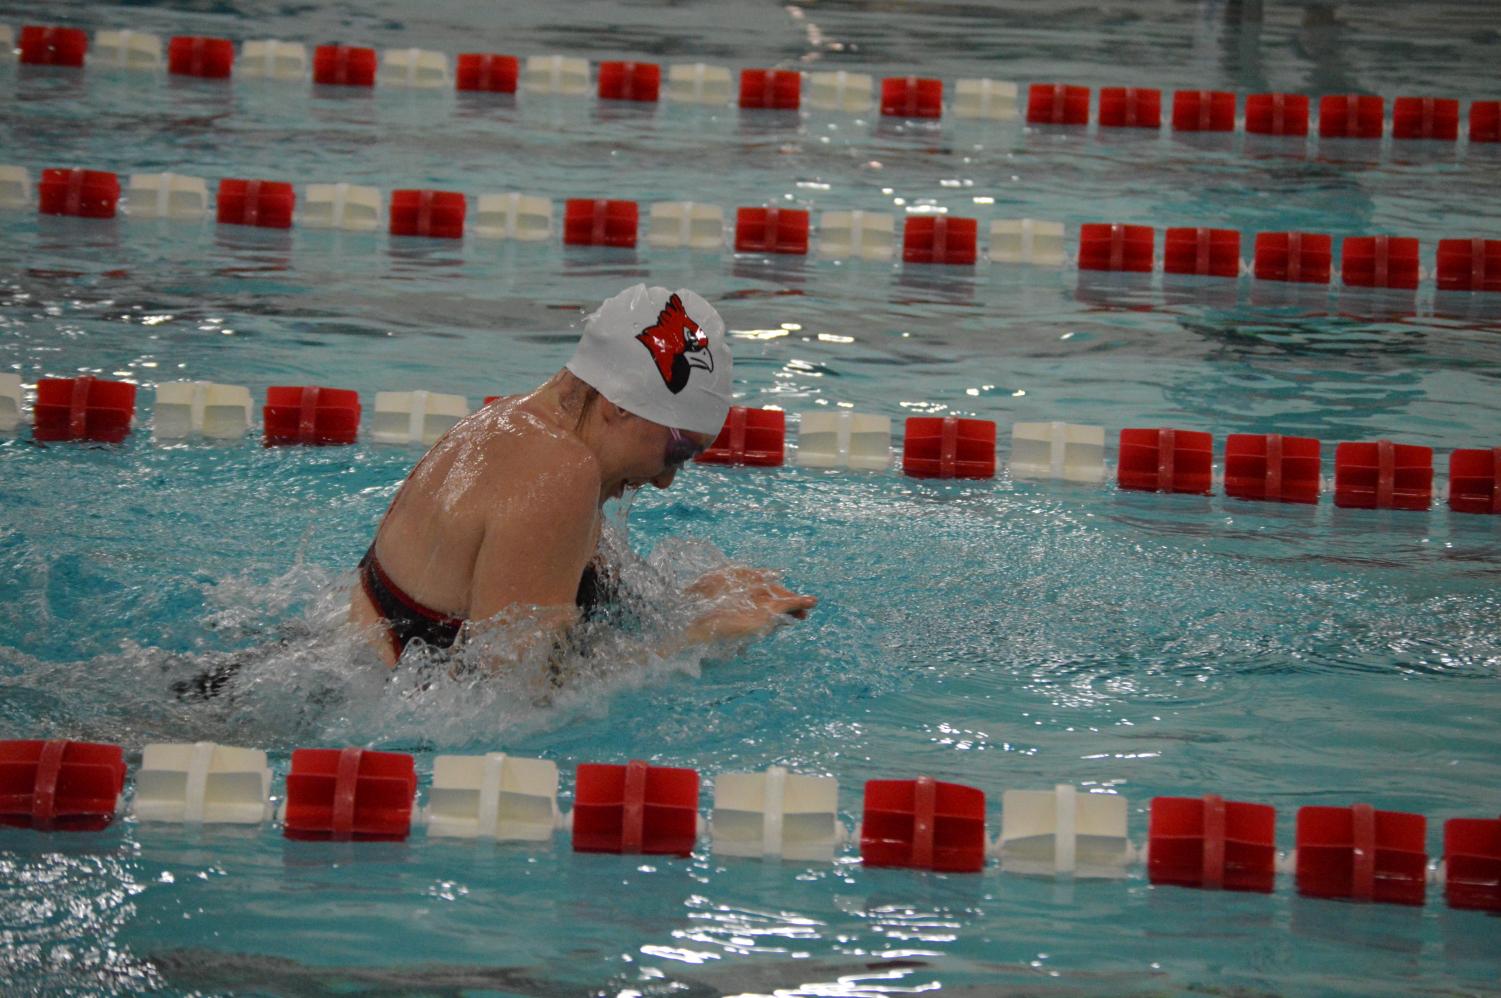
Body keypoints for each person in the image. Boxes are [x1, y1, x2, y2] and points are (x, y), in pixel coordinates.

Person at [350, 284, 817, 670]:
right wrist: (700, 636)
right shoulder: (556, 471)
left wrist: (694, 603)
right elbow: (517, 699)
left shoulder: (512, 423)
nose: (666, 481)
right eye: (678, 451)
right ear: (622, 403)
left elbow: (554, 634)